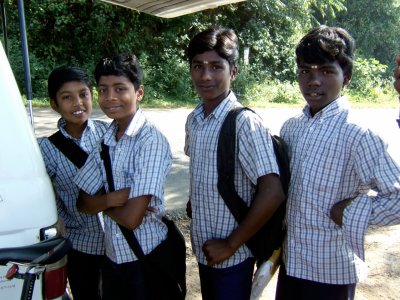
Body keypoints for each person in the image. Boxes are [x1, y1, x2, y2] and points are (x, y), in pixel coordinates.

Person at [276, 25, 400, 300]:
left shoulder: (358, 132)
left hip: (331, 271)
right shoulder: (292, 127)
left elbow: (398, 198)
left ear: (346, 77)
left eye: (327, 71)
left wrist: (351, 211)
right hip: (291, 262)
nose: (314, 80)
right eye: (306, 70)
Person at [184, 27, 285, 300]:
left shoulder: (245, 123)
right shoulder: (194, 119)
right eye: (198, 66)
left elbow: (272, 191)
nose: (205, 76)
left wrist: (230, 243)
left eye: (216, 66)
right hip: (205, 248)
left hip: (234, 253)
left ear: (234, 72)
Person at [74, 53, 172, 300]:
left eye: (120, 89)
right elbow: (82, 203)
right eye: (103, 90)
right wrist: (116, 198)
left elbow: (131, 219)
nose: (110, 98)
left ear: (139, 93)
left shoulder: (150, 140)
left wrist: (103, 202)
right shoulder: (105, 139)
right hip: (112, 258)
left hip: (144, 256)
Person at [38, 66, 109, 300]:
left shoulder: (108, 133)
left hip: (119, 243)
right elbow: (44, 192)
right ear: (54, 104)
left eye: (83, 94)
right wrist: (55, 217)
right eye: (66, 97)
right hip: (81, 246)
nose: (77, 103)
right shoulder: (46, 149)